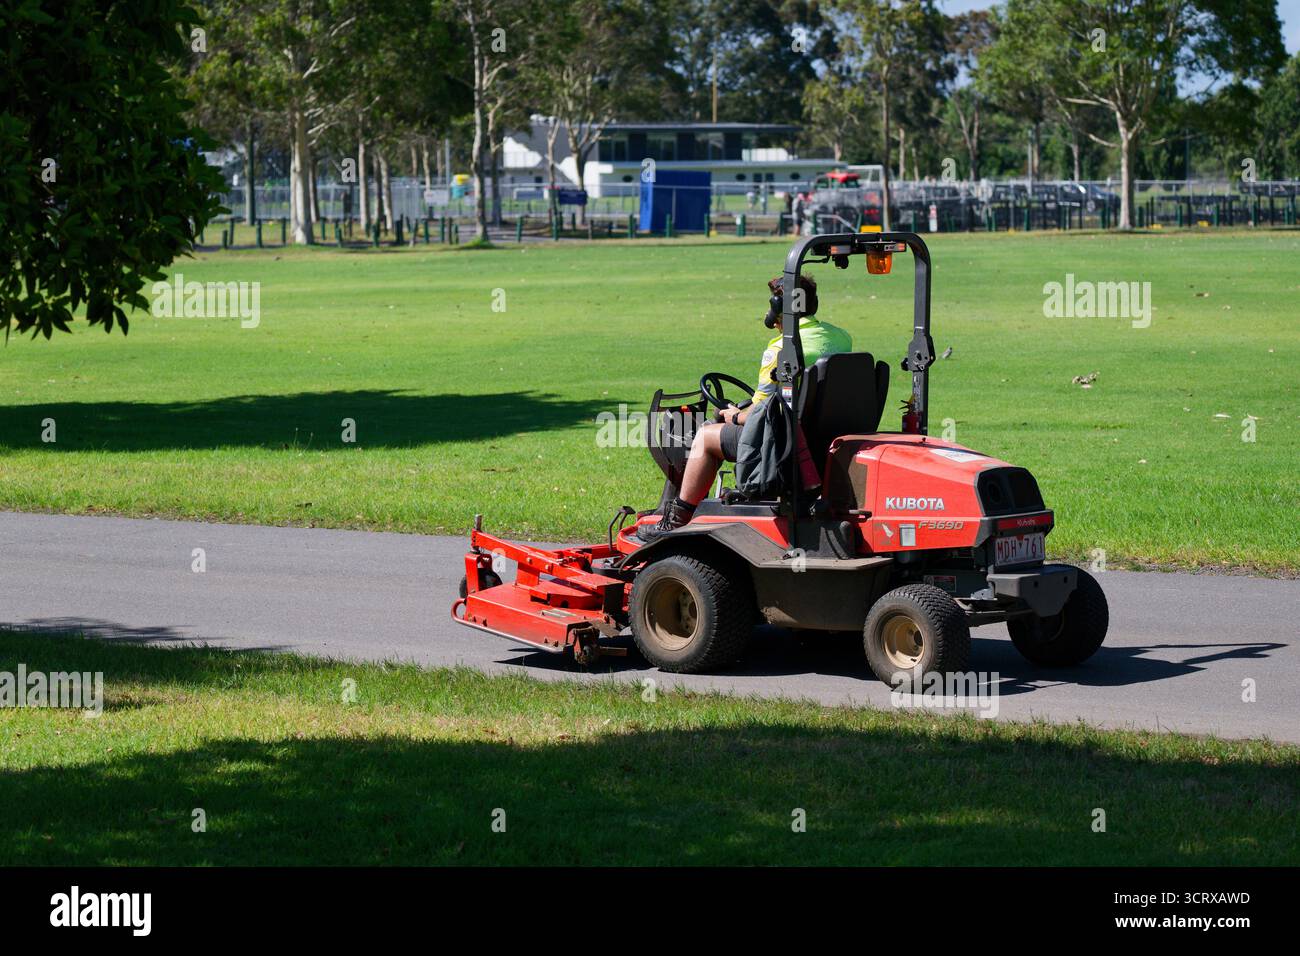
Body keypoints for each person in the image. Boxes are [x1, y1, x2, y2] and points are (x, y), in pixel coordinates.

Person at [637, 274, 852, 542]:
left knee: (705, 436)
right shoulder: (841, 338)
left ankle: (678, 518)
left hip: (779, 445)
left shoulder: (781, 349)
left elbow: (757, 415)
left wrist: (733, 415)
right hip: (818, 434)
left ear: (778, 308)